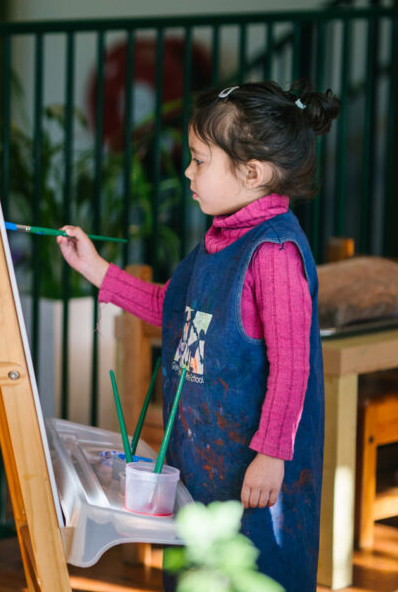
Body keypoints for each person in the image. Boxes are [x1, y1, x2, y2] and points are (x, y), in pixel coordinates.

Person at [56, 80, 338, 591]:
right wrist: (99, 271)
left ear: (252, 173)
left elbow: (293, 365)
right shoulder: (218, 237)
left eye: (200, 159)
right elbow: (172, 307)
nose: (187, 170)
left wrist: (272, 454)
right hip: (203, 460)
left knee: (253, 575)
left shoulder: (273, 253)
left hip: (254, 472)